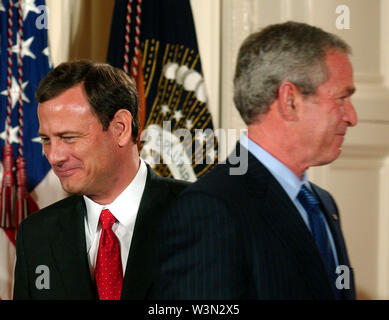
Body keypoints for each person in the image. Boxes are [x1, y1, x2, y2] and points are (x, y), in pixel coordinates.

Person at [152, 21, 357, 300]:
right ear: (290, 100)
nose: (352, 117)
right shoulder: (212, 207)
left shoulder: (322, 204)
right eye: (342, 98)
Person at [13, 60, 189, 300]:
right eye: (46, 140)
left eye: (69, 137)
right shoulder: (36, 236)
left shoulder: (204, 215)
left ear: (120, 128)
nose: (54, 156)